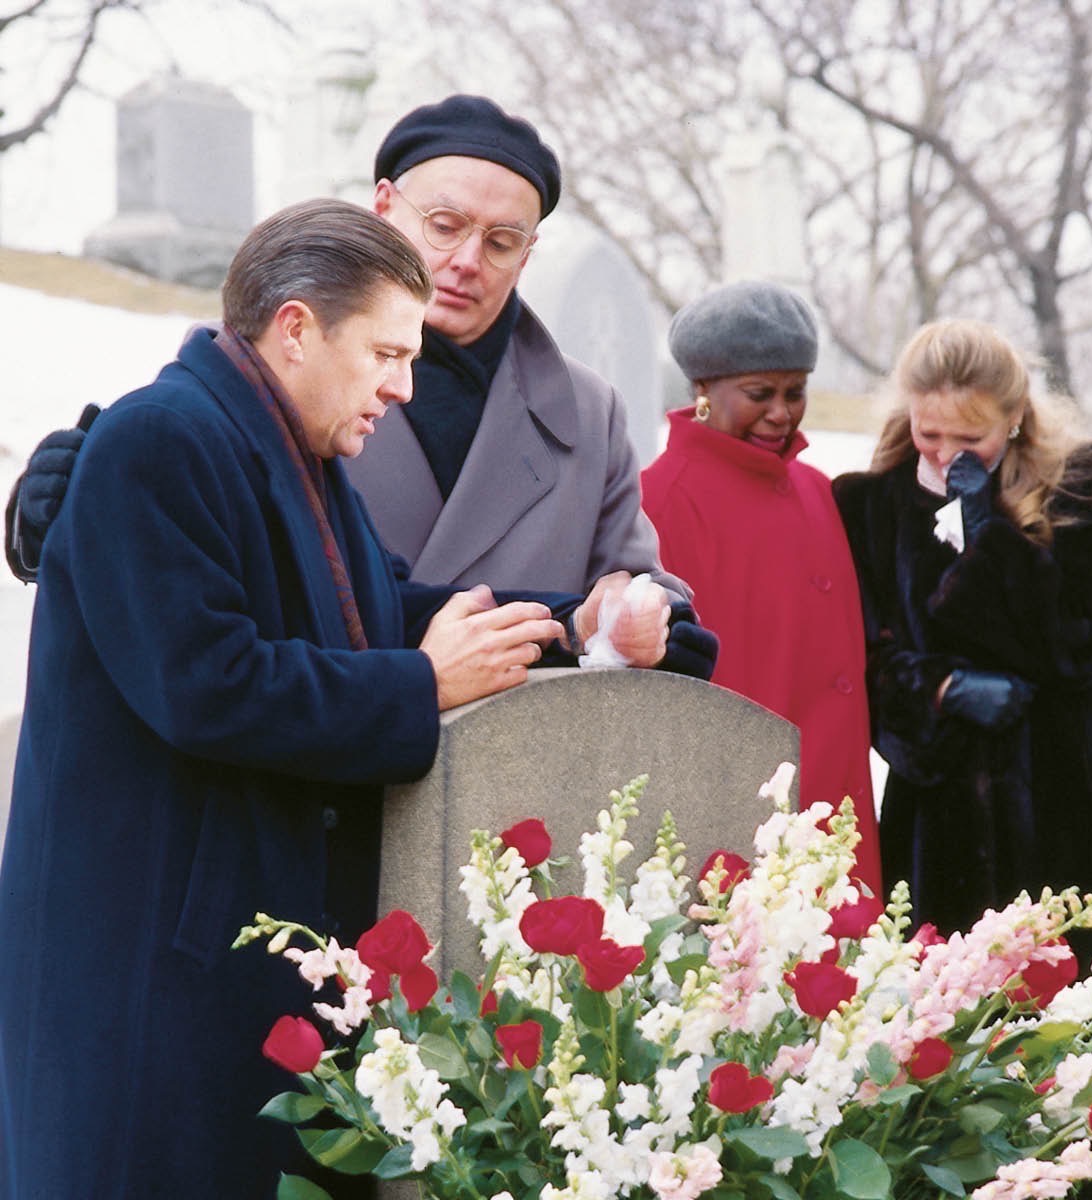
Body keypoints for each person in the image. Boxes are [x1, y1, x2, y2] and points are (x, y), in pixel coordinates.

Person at [0, 200, 697, 1200]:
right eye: (385, 353)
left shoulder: (288, 450)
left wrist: (586, 627)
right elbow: (206, 684)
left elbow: (385, 611)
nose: (402, 387)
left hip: (228, 967)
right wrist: (421, 684)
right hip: (146, 977)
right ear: (296, 329)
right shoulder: (159, 442)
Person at [6, 93, 697, 624]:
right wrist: (52, 505)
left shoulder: (587, 410)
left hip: (512, 785)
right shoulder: (277, 357)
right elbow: (166, 512)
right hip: (314, 767)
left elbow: (631, 586)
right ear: (385, 206)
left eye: (502, 241)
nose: (465, 262)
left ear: (530, 251)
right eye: (446, 225)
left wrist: (642, 610)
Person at [831, 316, 1092, 964]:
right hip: (945, 821)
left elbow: (1082, 642)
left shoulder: (1089, 482)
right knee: (951, 1038)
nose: (946, 454)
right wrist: (940, 690)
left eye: (971, 436)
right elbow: (864, 658)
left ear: (1014, 416)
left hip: (1074, 808)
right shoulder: (869, 504)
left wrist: (988, 530)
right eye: (929, 433)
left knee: (1083, 1039)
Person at [641, 281, 882, 897]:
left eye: (795, 392)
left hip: (836, 799)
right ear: (702, 390)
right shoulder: (661, 499)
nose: (781, 412)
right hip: (735, 810)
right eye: (759, 394)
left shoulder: (818, 490)